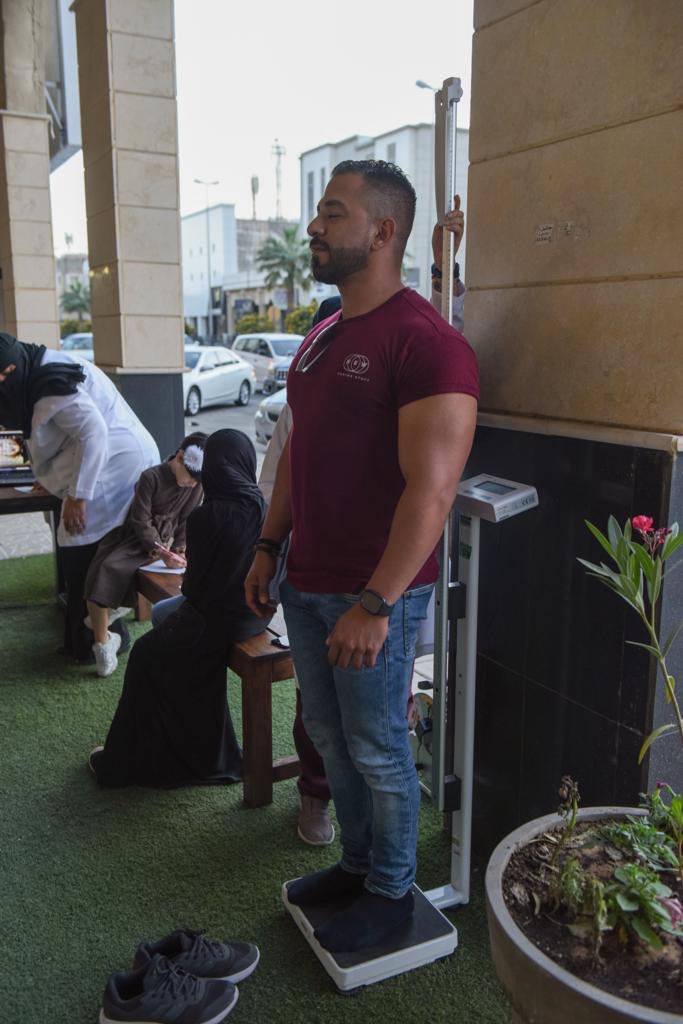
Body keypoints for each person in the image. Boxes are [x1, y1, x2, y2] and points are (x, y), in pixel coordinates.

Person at [245, 159, 479, 953]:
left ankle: (390, 889)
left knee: (377, 747)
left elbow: (432, 492)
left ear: (382, 232)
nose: (313, 226)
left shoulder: (427, 344)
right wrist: (268, 544)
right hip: (305, 581)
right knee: (329, 736)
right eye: (318, 212)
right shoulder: (321, 337)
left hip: (373, 595)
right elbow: (295, 452)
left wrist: (376, 603)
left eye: (332, 213)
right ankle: (355, 866)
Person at [89, 429, 269, 789]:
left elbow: (194, 590)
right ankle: (192, 742)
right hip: (253, 617)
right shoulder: (262, 508)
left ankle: (131, 761)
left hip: (211, 621)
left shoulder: (207, 516)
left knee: (144, 655)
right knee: (164, 621)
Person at [0, 333, 159, 662]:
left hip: (116, 464)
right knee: (78, 551)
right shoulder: (31, 370)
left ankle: (96, 639)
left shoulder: (50, 381)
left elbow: (94, 433)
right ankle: (88, 639)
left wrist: (78, 496)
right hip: (98, 462)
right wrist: (52, 479)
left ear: (11, 367)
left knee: (80, 546)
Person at [84, 433, 207, 677]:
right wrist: (159, 551)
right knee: (105, 569)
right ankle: (103, 643)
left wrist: (180, 550)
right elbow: (140, 520)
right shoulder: (151, 477)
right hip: (136, 541)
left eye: (197, 481)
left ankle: (101, 620)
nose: (193, 484)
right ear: (179, 458)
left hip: (165, 548)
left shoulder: (196, 485)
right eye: (191, 478)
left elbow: (187, 520)